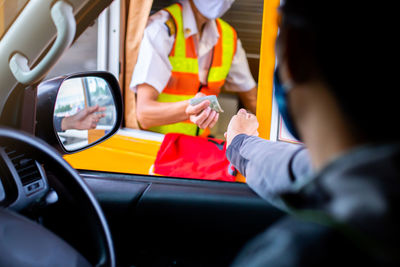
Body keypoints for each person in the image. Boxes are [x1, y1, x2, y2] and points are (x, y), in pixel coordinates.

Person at [225, 0, 400, 265]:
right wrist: (241, 144)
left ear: (294, 48)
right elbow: (298, 169)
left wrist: (240, 144)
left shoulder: (297, 254)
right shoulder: (379, 177)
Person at [130, 0, 257, 136]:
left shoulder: (228, 37)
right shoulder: (161, 30)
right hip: (158, 148)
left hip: (199, 148)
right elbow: (144, 114)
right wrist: (189, 108)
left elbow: (252, 98)